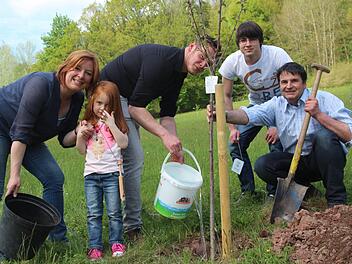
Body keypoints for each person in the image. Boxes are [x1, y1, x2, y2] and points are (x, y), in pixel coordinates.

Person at [100, 36, 219, 238]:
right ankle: (131, 226)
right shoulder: (161, 62)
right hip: (109, 94)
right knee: (134, 157)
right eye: (202, 56)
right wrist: (165, 135)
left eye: (209, 63)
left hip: (129, 99)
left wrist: (175, 147)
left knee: (132, 157)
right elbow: (136, 108)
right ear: (190, 47)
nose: (203, 65)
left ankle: (131, 212)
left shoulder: (179, 74)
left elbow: (167, 115)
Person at [208, 62, 352, 207]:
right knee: (263, 165)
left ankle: (336, 201)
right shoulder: (277, 105)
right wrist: (222, 114)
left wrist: (319, 114)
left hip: (325, 161)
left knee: (324, 137)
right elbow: (248, 115)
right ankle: (308, 194)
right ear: (279, 85)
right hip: (296, 164)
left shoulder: (325, 99)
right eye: (284, 82)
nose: (289, 86)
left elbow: (348, 134)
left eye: (294, 81)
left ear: (304, 83)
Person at [0, 50, 100, 241]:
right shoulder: (41, 84)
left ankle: (58, 239)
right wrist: (15, 175)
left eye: (88, 73)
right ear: (66, 66)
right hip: (3, 125)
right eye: (77, 68)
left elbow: (64, 139)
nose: (81, 76)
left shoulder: (76, 98)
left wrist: (79, 131)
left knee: (54, 178)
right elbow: (20, 132)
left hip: (28, 138)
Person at [219, 21, 292, 196]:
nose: (248, 44)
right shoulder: (232, 62)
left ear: (260, 41)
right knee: (235, 145)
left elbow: (292, 87)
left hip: (280, 105)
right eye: (243, 40)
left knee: (276, 143)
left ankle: (275, 192)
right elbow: (226, 96)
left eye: (252, 39)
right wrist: (232, 128)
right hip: (256, 107)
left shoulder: (276, 55)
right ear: (239, 44)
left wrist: (277, 124)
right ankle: (248, 191)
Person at [76, 81, 128, 260]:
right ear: (92, 102)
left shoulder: (117, 123)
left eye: (107, 104)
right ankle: (95, 246)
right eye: (99, 103)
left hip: (112, 174)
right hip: (91, 176)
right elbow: (81, 150)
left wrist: (111, 124)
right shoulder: (86, 123)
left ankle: (117, 242)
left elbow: (123, 143)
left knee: (114, 211)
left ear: (114, 106)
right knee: (94, 213)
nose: (102, 108)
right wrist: (80, 135)